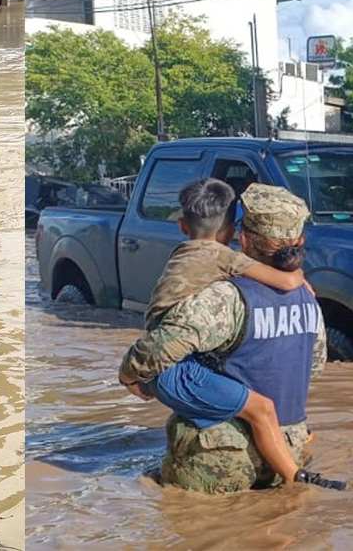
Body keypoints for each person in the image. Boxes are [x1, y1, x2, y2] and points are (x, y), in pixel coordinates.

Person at [118, 183, 338, 494]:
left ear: (244, 238)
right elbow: (312, 368)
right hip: (289, 450)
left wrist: (128, 374)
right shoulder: (309, 299)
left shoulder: (225, 296)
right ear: (299, 241)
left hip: (221, 459)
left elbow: (162, 345)